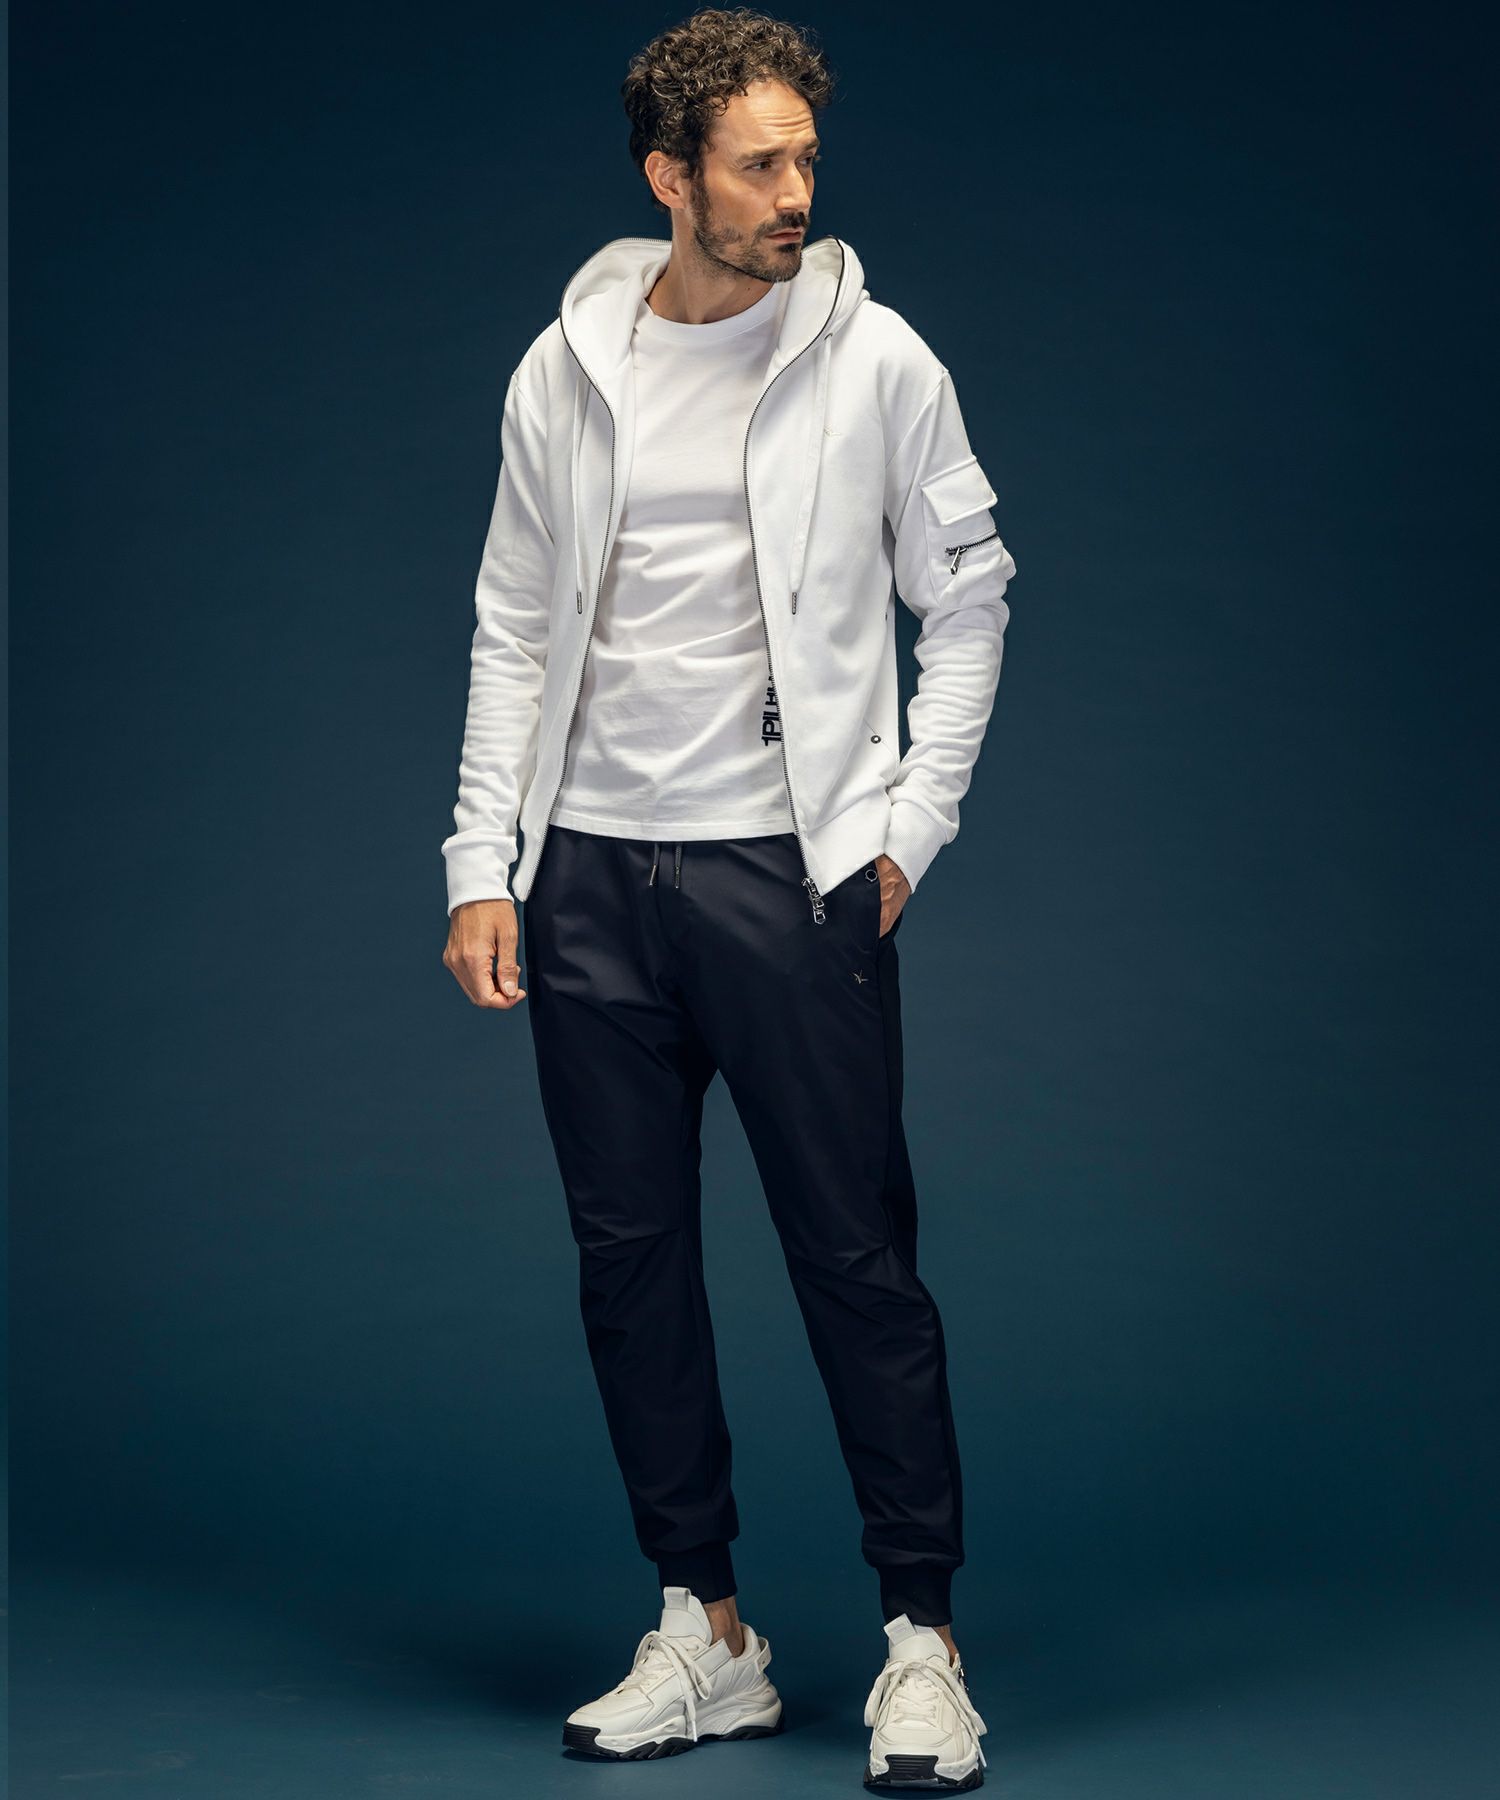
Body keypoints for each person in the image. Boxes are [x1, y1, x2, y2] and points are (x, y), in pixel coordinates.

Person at [440, 9, 1015, 1790]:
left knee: (855, 1258)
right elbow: (514, 624)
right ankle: (710, 1633)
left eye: (805, 159)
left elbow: (971, 598)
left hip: (790, 874)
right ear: (667, 177)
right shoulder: (565, 368)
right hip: (589, 876)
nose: (794, 192)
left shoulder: (880, 361)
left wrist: (905, 830)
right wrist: (481, 863)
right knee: (631, 1266)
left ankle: (921, 1643)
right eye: (758, 164)